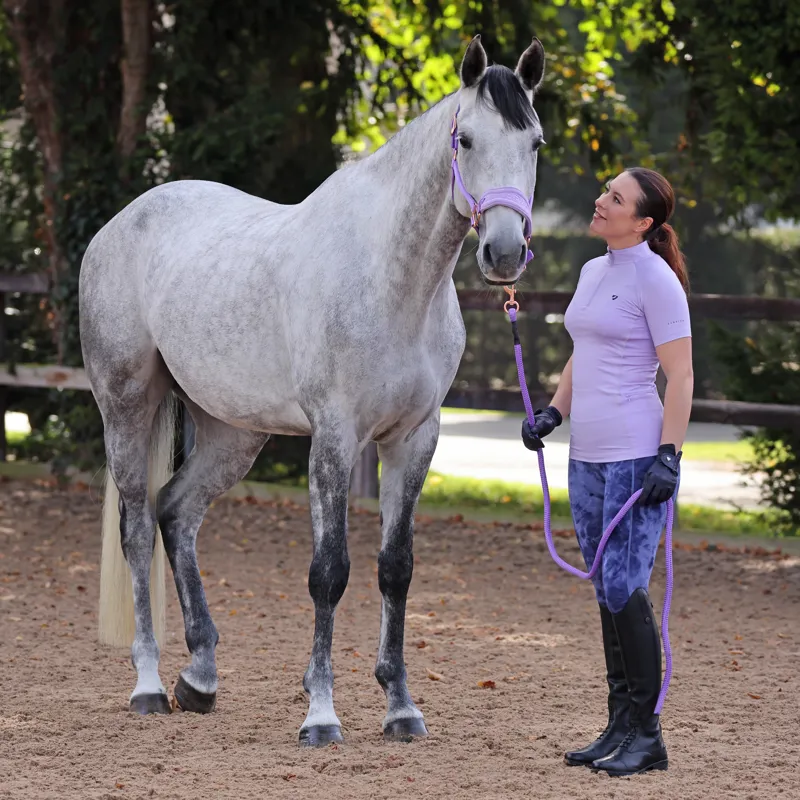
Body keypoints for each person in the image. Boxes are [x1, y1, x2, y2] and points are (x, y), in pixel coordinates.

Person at [521, 167, 693, 776]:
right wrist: (553, 411)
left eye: (615, 199)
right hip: (587, 456)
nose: (601, 201)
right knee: (605, 587)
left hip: (634, 453)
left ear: (643, 222)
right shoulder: (596, 272)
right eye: (606, 191)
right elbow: (582, 353)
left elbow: (681, 375)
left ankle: (649, 736)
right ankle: (619, 724)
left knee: (625, 588)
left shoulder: (657, 281)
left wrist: (668, 455)